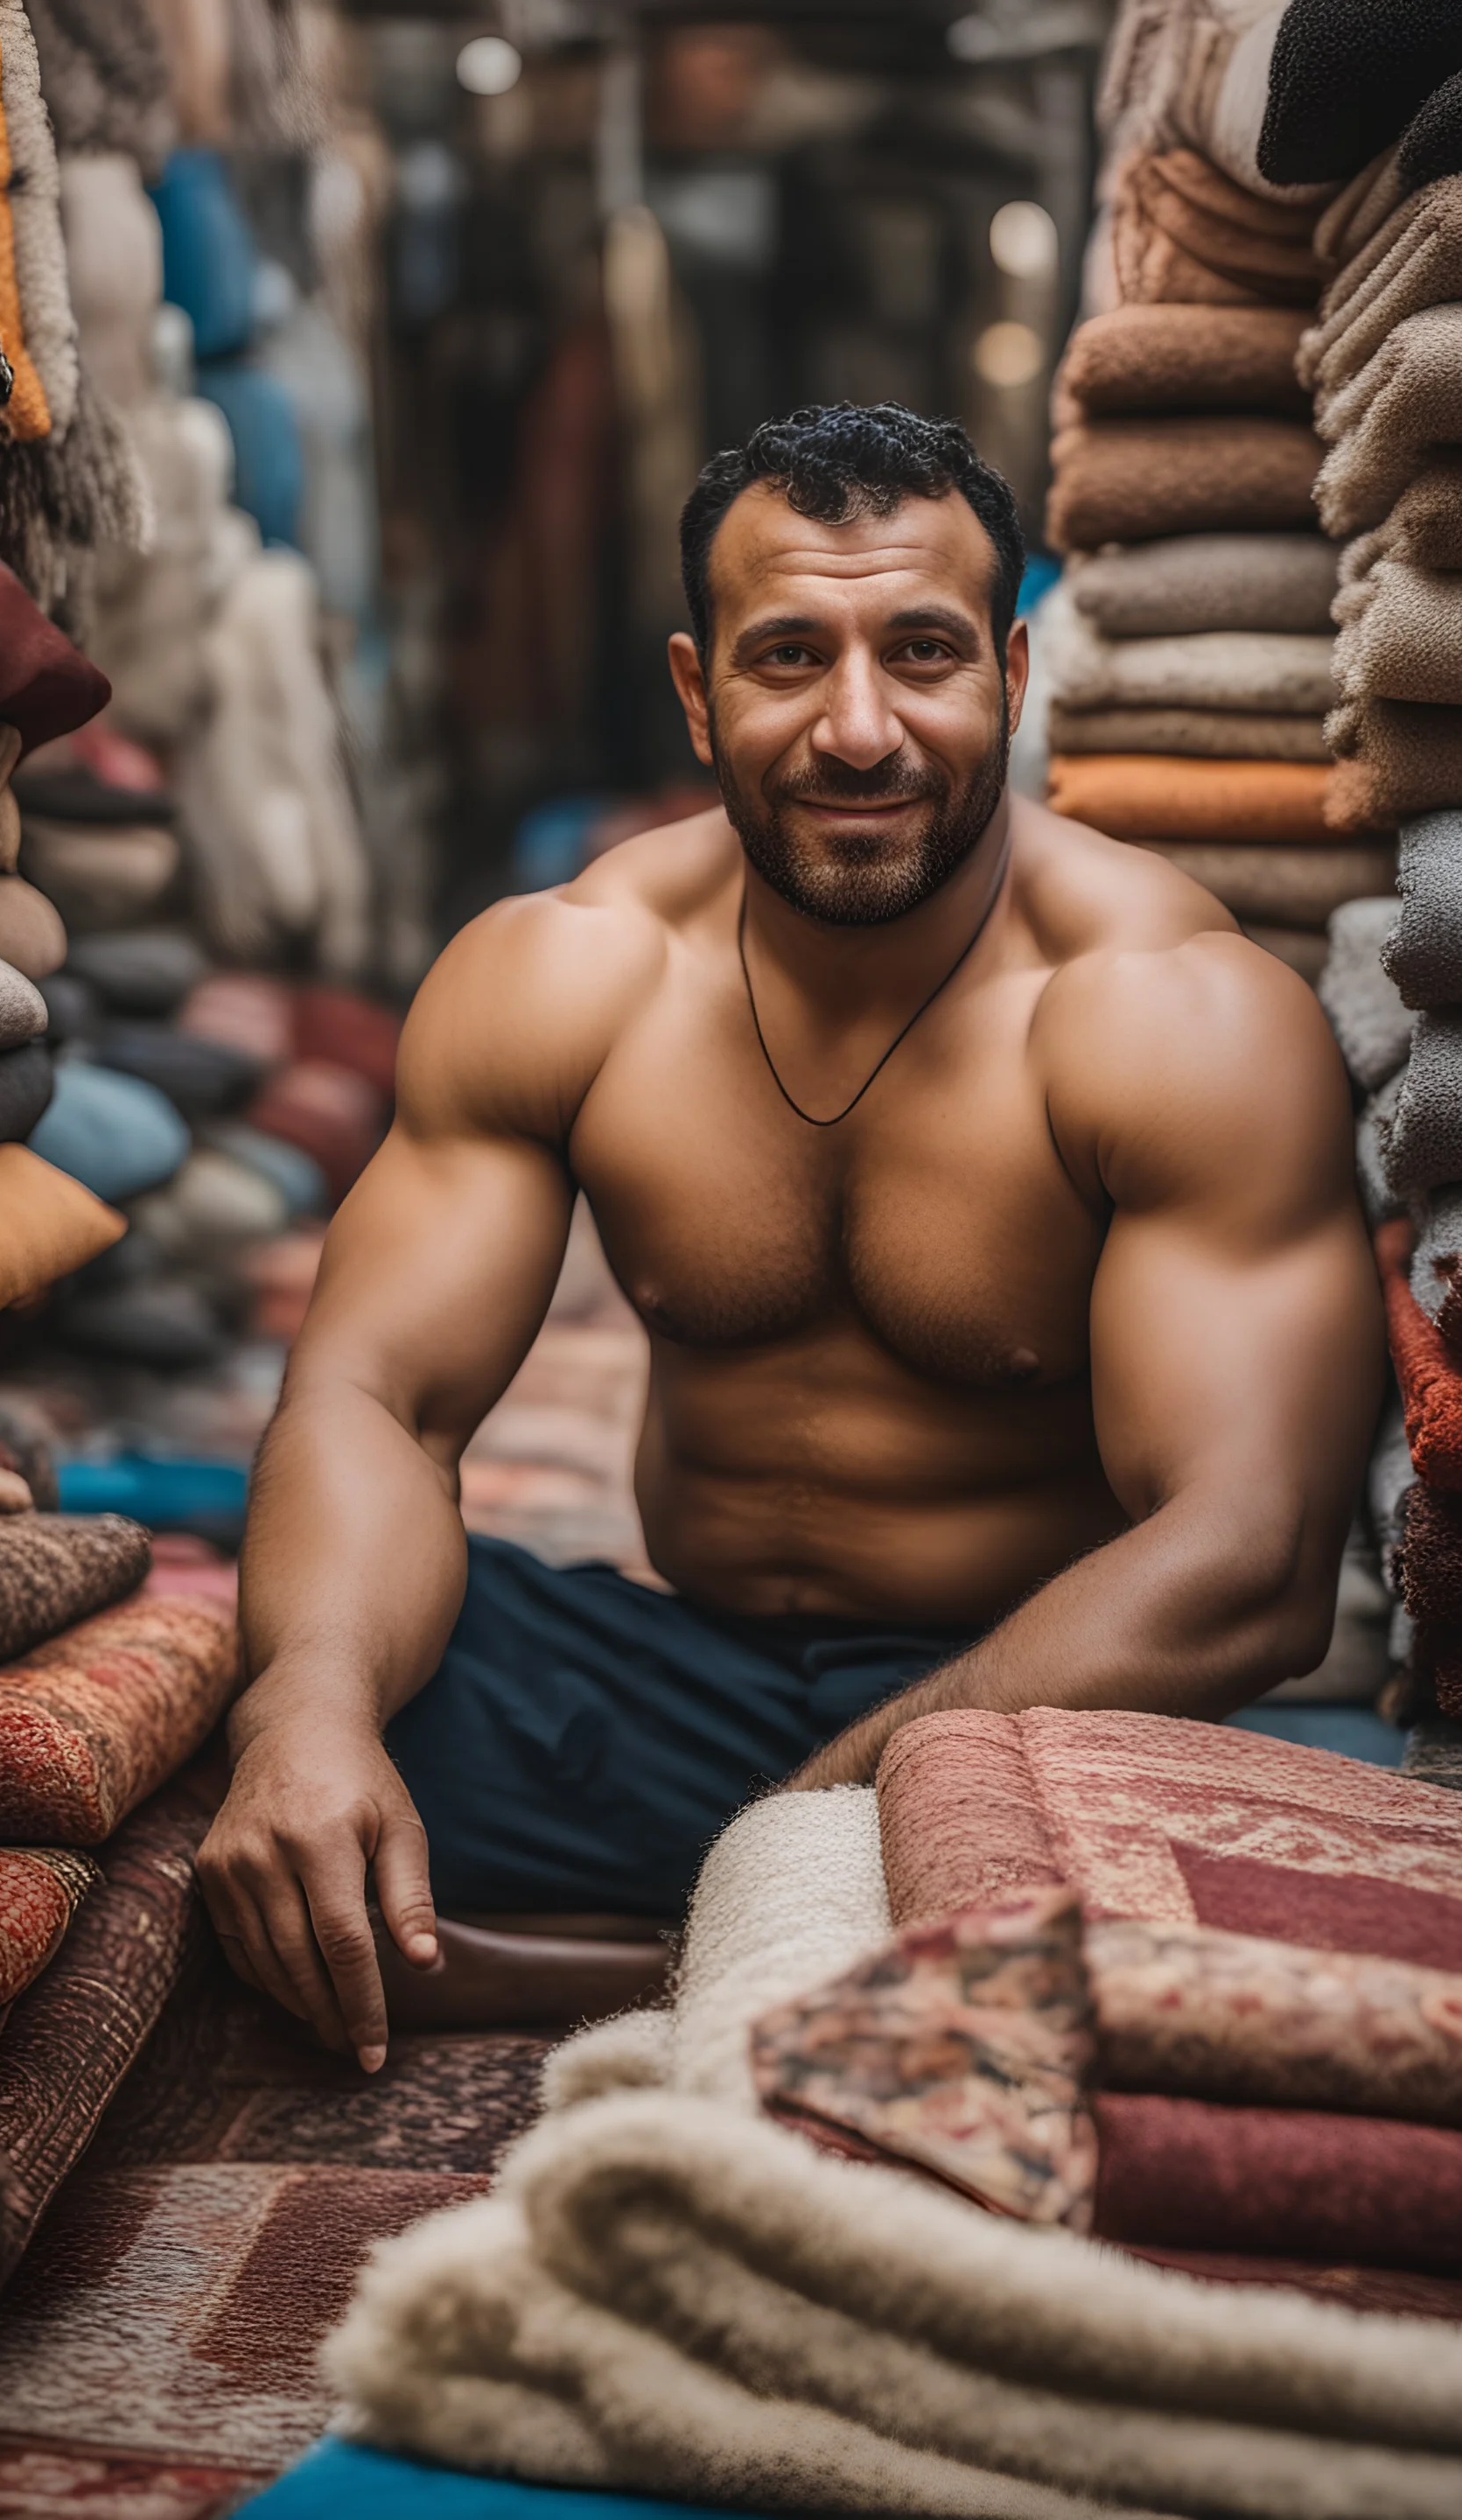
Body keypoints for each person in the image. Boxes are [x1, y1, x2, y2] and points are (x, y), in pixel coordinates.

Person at [198, 402, 1382, 2069]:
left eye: (921, 652)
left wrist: (818, 1818)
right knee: (254, 1731)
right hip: (687, 1683)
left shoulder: (1166, 1015)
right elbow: (374, 1404)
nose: (858, 729)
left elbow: (1250, 1561)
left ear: (1014, 676)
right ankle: (721, 1940)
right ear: (697, 692)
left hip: (1045, 1704)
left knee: (1199, 1914)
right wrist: (308, 1716)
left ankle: (628, 1947)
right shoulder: (569, 974)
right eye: (786, 658)